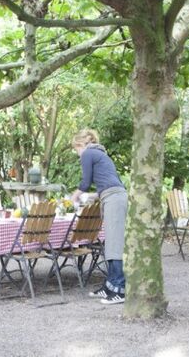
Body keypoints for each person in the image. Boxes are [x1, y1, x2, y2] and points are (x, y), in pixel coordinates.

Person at [70, 129, 128, 305]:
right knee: (110, 242)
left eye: (76, 149)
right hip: (112, 197)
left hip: (114, 199)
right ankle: (110, 286)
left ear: (80, 144)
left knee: (115, 243)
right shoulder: (99, 153)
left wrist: (75, 196)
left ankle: (120, 290)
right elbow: (109, 183)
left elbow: (85, 183)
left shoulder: (88, 153)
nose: (77, 153)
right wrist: (95, 196)